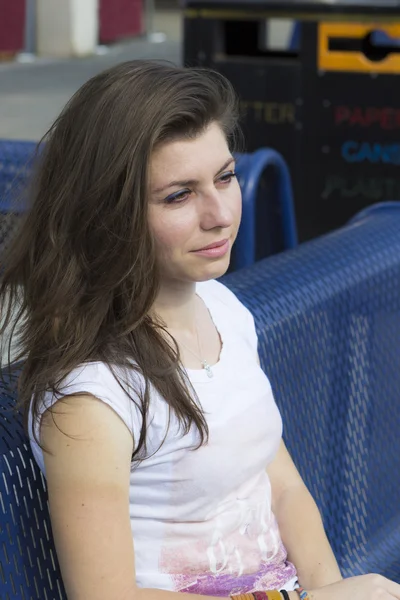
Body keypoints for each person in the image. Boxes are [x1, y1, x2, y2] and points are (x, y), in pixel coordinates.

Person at [0, 60, 399, 600]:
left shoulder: (221, 306)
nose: (220, 214)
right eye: (178, 195)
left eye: (226, 177)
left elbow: (280, 486)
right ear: (108, 214)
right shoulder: (93, 395)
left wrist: (332, 590)